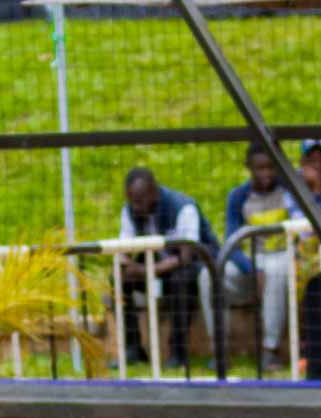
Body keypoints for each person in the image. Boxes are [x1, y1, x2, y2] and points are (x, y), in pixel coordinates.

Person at [118, 167, 219, 366]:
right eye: (132, 201)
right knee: (119, 280)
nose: (135, 207)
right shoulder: (130, 211)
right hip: (159, 265)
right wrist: (124, 264)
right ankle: (133, 348)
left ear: (153, 192)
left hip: (195, 267)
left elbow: (186, 257)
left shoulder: (182, 207)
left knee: (180, 279)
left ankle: (178, 351)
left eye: (139, 201)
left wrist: (145, 271)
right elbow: (123, 251)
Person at [223, 142, 302, 371]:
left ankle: (270, 349)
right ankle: (221, 348)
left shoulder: (289, 190)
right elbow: (232, 241)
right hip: (255, 258)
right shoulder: (238, 197)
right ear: (248, 167)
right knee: (210, 278)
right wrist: (250, 268)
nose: (266, 174)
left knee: (276, 271)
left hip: (286, 256)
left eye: (271, 167)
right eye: (260, 168)